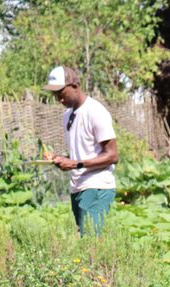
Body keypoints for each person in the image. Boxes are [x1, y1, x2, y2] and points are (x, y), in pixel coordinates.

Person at [43, 65, 119, 237]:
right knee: (85, 240)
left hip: (97, 185)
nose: (59, 99)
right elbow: (81, 154)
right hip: (78, 187)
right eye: (55, 95)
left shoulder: (95, 111)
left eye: (61, 94)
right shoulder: (67, 116)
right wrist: (59, 158)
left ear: (75, 86)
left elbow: (112, 156)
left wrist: (75, 164)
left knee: (91, 240)